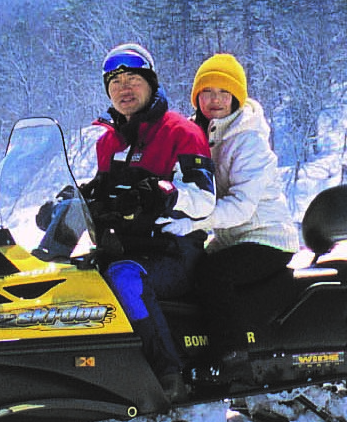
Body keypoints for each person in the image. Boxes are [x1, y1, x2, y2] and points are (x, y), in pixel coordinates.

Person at [83, 41, 216, 399]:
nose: (123, 88)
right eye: (115, 82)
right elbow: (105, 193)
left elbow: (204, 199)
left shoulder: (181, 132)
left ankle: (167, 376)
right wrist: (72, 204)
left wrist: (164, 195)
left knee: (124, 280)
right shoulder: (108, 142)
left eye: (132, 79)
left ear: (151, 84)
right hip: (127, 248)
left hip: (174, 252)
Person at [188, 52, 298, 385]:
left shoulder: (248, 140)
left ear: (238, 96)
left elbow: (241, 208)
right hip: (234, 237)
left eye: (224, 92)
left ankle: (233, 362)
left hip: (266, 237)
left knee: (213, 274)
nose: (216, 100)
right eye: (207, 92)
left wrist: (194, 222)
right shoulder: (204, 133)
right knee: (186, 267)